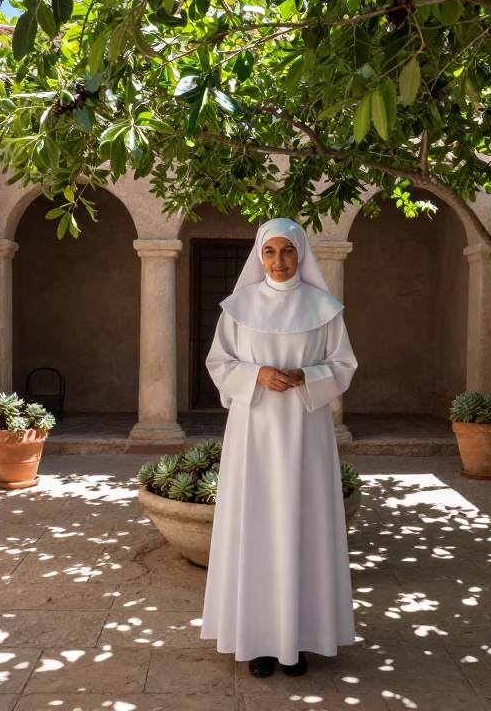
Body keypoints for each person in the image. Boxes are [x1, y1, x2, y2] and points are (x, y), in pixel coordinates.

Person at [200, 217, 358, 678]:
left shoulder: (325, 307)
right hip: (253, 434)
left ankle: (300, 637)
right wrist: (256, 375)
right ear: (258, 255)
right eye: (269, 252)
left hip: (306, 435)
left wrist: (309, 375)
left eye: (287, 251)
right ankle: (258, 641)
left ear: (301, 253)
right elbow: (219, 361)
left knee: (302, 526)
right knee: (257, 527)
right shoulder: (239, 307)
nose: (279, 261)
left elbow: (344, 363)